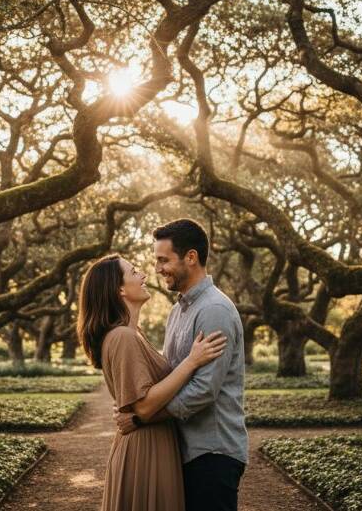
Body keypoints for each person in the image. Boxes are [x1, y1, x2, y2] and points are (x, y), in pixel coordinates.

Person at [77, 253, 227, 511]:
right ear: (120, 289)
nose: (144, 274)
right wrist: (192, 361)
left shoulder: (132, 334)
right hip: (145, 450)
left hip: (152, 443)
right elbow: (144, 406)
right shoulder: (123, 337)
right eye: (134, 271)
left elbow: (137, 403)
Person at [116, 218, 248, 511]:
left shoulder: (214, 310)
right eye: (156, 260)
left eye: (164, 260)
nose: (157, 268)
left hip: (212, 453)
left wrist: (143, 416)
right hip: (183, 451)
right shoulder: (178, 311)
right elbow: (171, 372)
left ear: (191, 257)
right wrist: (137, 401)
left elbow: (204, 390)